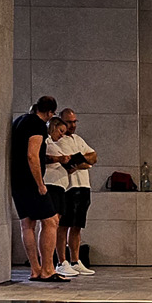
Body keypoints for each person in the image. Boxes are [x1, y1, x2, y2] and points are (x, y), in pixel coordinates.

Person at [8, 95, 61, 282]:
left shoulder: (19, 121)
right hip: (30, 181)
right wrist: (40, 183)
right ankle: (48, 269)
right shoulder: (38, 124)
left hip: (16, 181)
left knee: (27, 224)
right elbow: (32, 155)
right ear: (50, 112)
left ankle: (35, 270)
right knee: (51, 221)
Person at [58, 107, 96, 276]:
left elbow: (93, 157)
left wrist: (79, 160)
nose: (72, 125)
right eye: (69, 122)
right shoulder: (57, 140)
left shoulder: (78, 139)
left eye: (74, 122)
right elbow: (68, 163)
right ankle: (61, 261)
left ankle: (75, 260)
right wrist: (82, 161)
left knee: (77, 225)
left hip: (83, 186)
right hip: (68, 187)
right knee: (63, 225)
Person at [42, 116, 79, 278]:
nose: (62, 135)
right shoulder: (46, 141)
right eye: (60, 131)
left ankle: (55, 262)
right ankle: (51, 263)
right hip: (51, 185)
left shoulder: (55, 144)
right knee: (52, 223)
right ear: (53, 127)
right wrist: (60, 159)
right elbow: (42, 158)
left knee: (57, 222)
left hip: (60, 186)